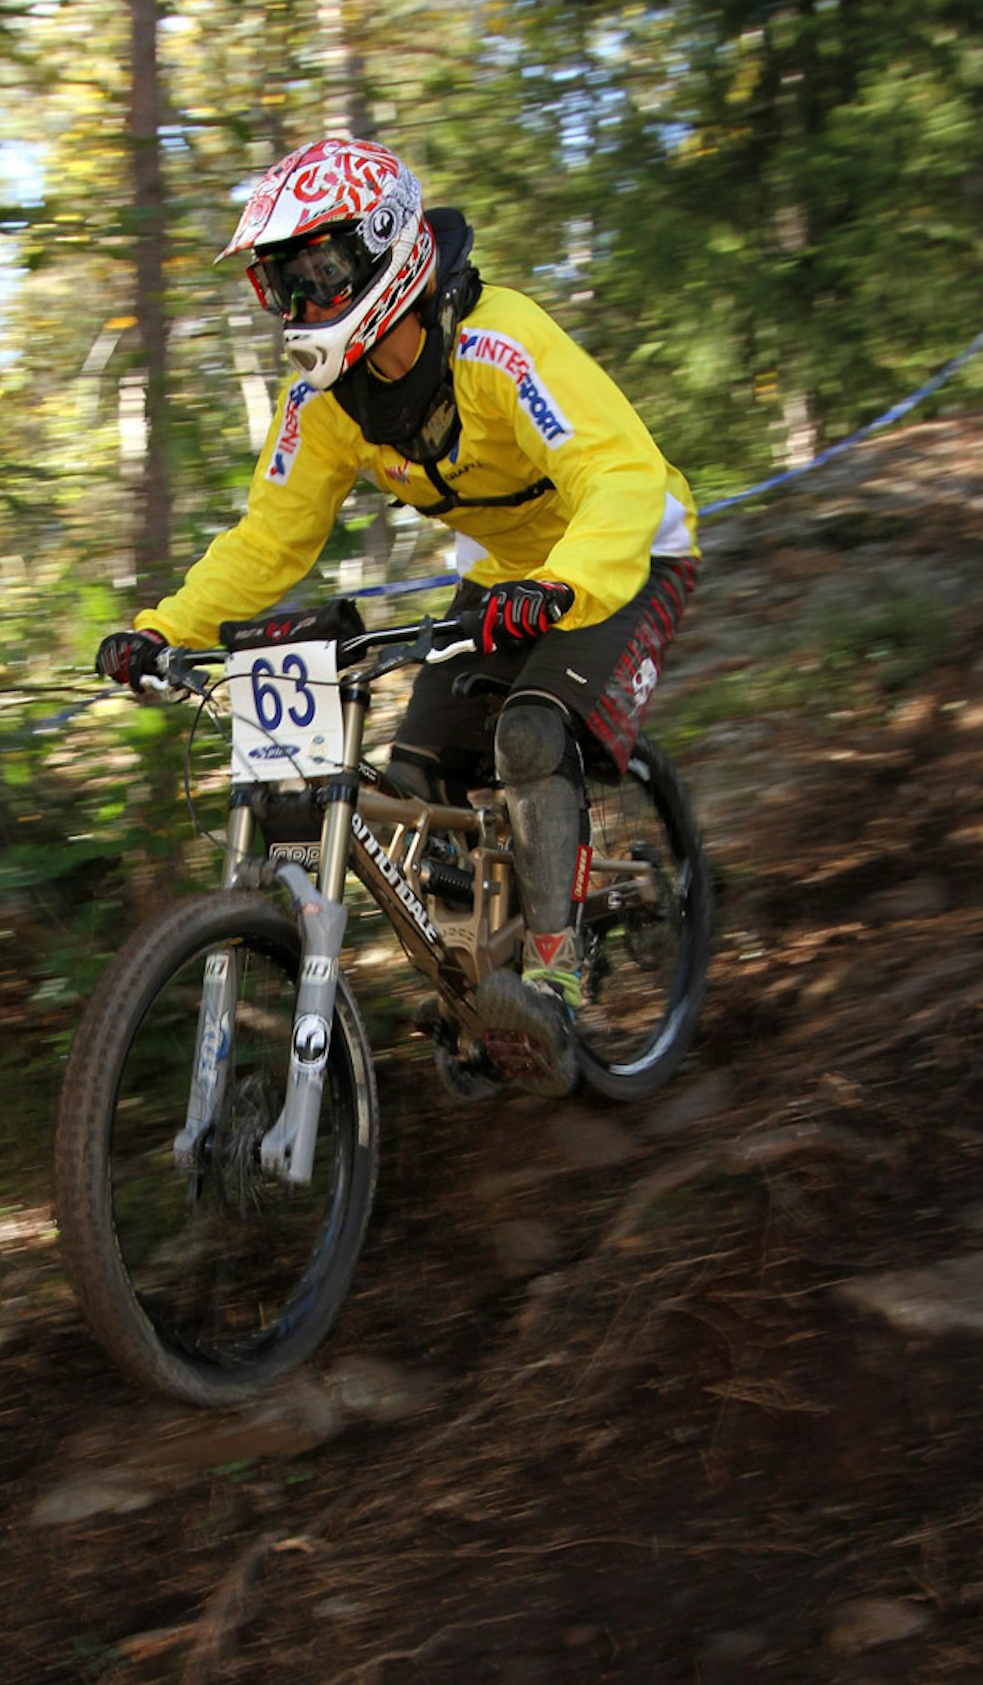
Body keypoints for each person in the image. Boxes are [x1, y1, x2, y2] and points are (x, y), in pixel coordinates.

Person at [97, 136, 699, 1096]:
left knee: (534, 737)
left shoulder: (501, 344)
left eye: (318, 274)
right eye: (278, 286)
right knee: (416, 777)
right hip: (507, 576)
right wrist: (166, 628)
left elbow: (616, 476)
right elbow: (270, 539)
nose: (299, 308)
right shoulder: (325, 402)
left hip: (627, 550)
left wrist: (567, 583)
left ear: (385, 251)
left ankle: (553, 971)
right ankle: (481, 979)